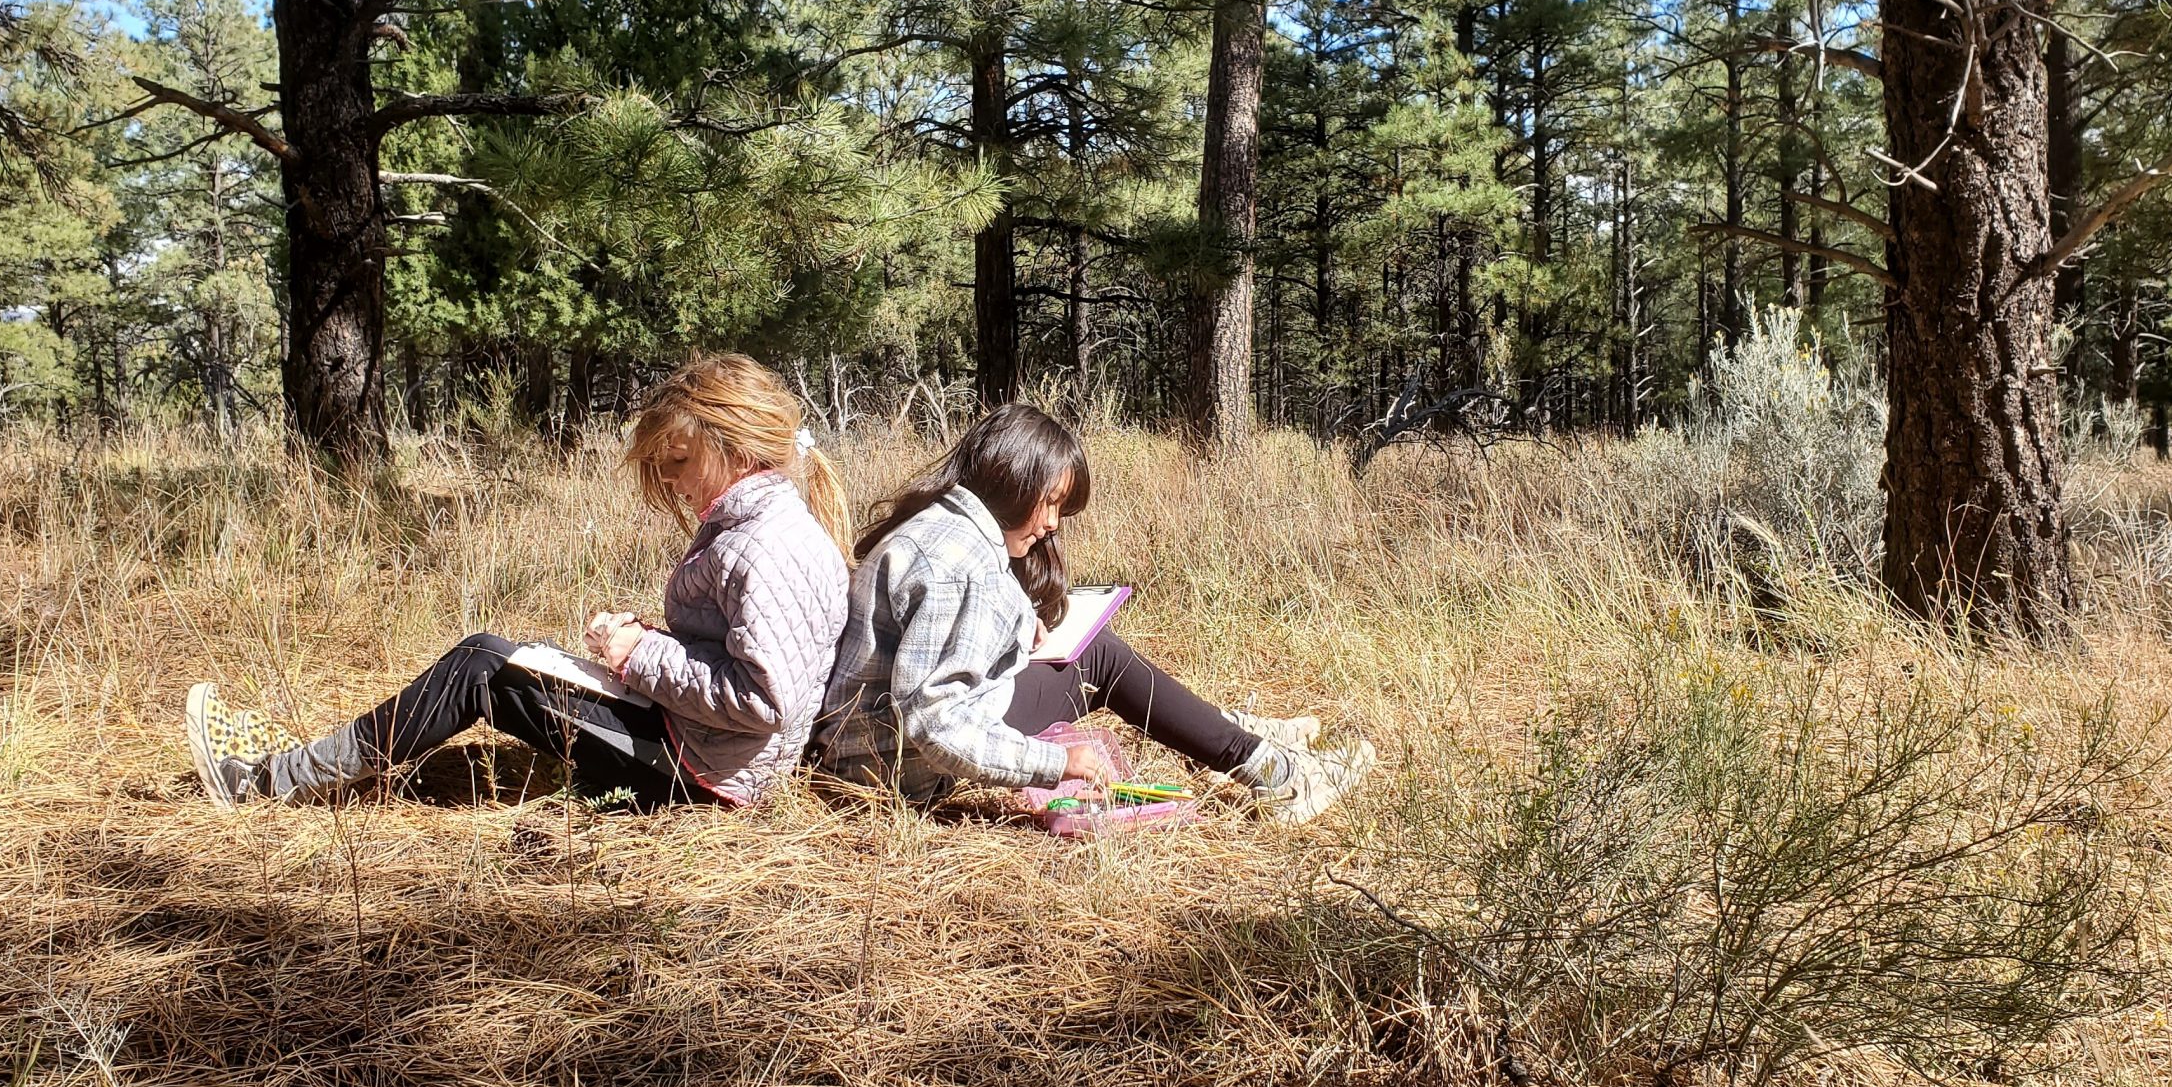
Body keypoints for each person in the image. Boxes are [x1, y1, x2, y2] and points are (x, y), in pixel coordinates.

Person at [184, 354, 853, 811]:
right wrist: (645, 641)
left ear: (736, 449)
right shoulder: (761, 524)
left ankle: (274, 780)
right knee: (493, 659)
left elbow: (764, 700)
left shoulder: (769, 543)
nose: (672, 480)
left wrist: (636, 655)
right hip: (704, 749)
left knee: (479, 669)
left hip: (705, 776)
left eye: (679, 460)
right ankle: (302, 762)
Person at [816, 404, 1374, 822]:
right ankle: (1276, 772)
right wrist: (1058, 764)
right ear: (1013, 483)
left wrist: (1007, 633)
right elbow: (935, 723)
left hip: (867, 748)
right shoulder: (964, 568)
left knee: (1097, 656)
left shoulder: (942, 529)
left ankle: (1233, 735)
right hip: (892, 769)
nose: (1054, 523)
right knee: (1101, 659)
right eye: (1051, 503)